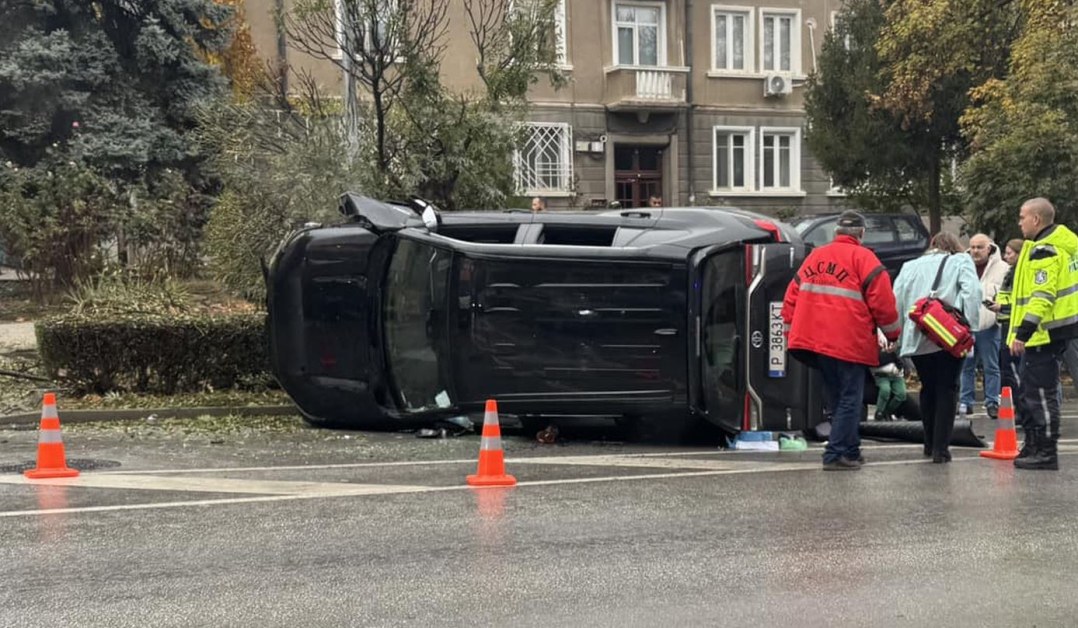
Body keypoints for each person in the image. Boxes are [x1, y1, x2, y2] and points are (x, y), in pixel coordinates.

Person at [782, 210, 901, 470]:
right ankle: (835, 454)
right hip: (848, 341)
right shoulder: (865, 258)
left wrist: (791, 333)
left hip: (815, 342)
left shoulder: (815, 257)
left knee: (837, 398)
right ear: (861, 233)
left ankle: (851, 449)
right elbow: (884, 303)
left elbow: (790, 299)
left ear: (836, 232)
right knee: (850, 398)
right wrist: (893, 335)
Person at [893, 232, 981, 463]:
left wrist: (899, 336)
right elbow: (973, 293)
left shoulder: (909, 266)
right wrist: (970, 326)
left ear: (932, 245)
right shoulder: (961, 261)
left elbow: (897, 299)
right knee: (948, 389)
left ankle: (928, 443)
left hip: (918, 336)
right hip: (949, 336)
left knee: (928, 388)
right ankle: (940, 449)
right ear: (954, 246)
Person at [1007, 197, 1078, 470]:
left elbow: (1041, 296)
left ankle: (1045, 451)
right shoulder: (1058, 246)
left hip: (1043, 333)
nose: (1020, 222)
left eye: (1022, 216)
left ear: (1036, 219)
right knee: (1030, 393)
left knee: (1039, 394)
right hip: (1049, 331)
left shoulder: (1044, 251)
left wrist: (1022, 333)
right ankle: (1035, 446)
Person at [958, 234, 1008, 418]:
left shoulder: (1002, 268)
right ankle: (965, 402)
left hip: (989, 325)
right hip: (967, 325)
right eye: (973, 247)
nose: (975, 251)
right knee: (966, 366)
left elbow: (1008, 292)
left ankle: (992, 402)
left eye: (980, 247)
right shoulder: (962, 265)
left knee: (991, 366)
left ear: (989, 248)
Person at [989, 239, 1024, 413]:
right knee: (1008, 370)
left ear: (1019, 254)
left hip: (1015, 324)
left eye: (1010, 253)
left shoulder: (1021, 273)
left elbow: (1022, 301)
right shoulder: (1011, 272)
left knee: (1014, 370)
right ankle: (1018, 407)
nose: (1005, 256)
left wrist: (1001, 306)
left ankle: (1023, 408)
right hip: (1006, 324)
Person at [872, 329, 906, 421]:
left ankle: (888, 411)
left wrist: (899, 368)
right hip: (881, 376)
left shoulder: (890, 347)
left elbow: (898, 360)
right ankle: (879, 412)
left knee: (901, 394)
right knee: (885, 390)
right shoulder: (873, 350)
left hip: (896, 375)